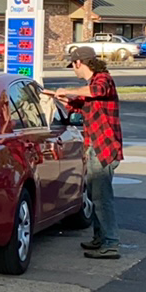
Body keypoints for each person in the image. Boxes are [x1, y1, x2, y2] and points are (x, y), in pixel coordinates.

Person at [43, 46, 123, 259]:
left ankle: (111, 243)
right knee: (95, 195)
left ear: (79, 62)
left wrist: (68, 91)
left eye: (73, 65)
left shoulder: (103, 79)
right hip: (95, 147)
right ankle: (100, 238)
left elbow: (97, 91)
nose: (74, 70)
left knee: (102, 198)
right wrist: (60, 98)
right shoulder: (92, 85)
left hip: (104, 148)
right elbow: (82, 106)